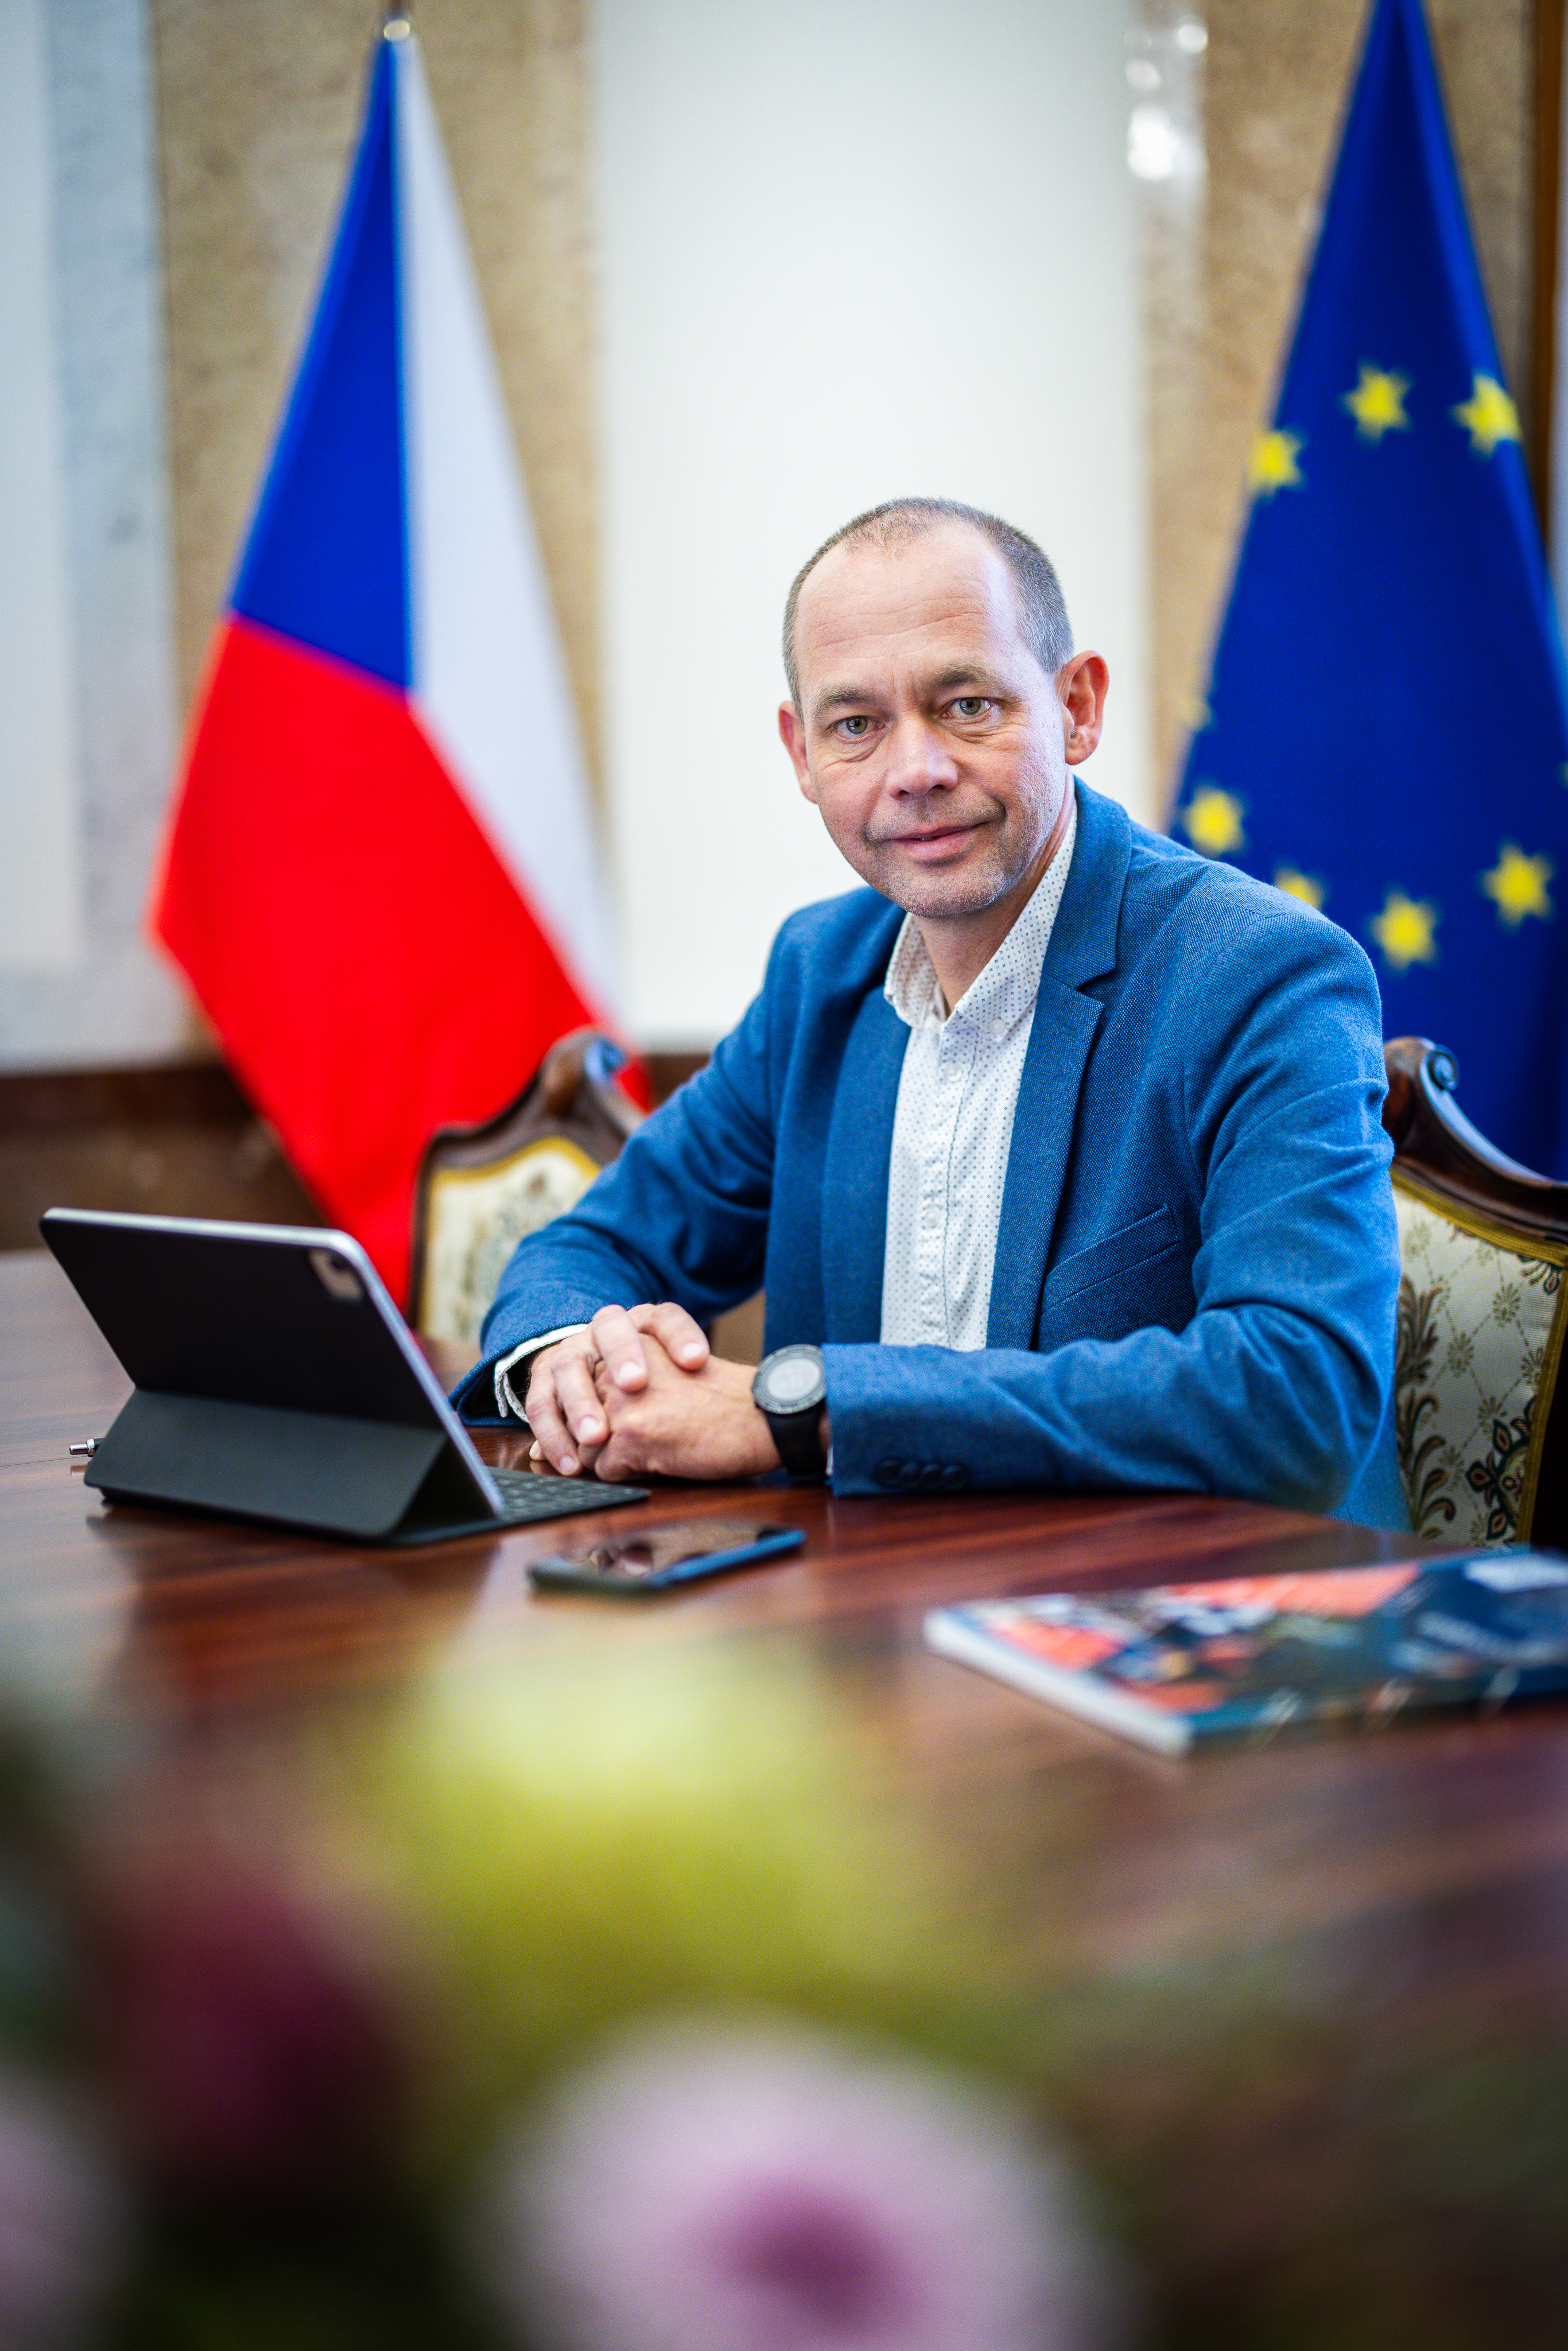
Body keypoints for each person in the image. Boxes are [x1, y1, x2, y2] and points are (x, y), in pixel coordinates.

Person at [453, 498, 1407, 1526]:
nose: (916, 772)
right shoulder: (818, 974)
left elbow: (1299, 1393)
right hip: (866, 1597)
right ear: (803, 754)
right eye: (856, 725)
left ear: (1077, 707)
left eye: (967, 705)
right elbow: (588, 1248)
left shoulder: (1262, 976)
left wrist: (805, 1413)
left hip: (1196, 1603)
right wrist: (572, 1360)